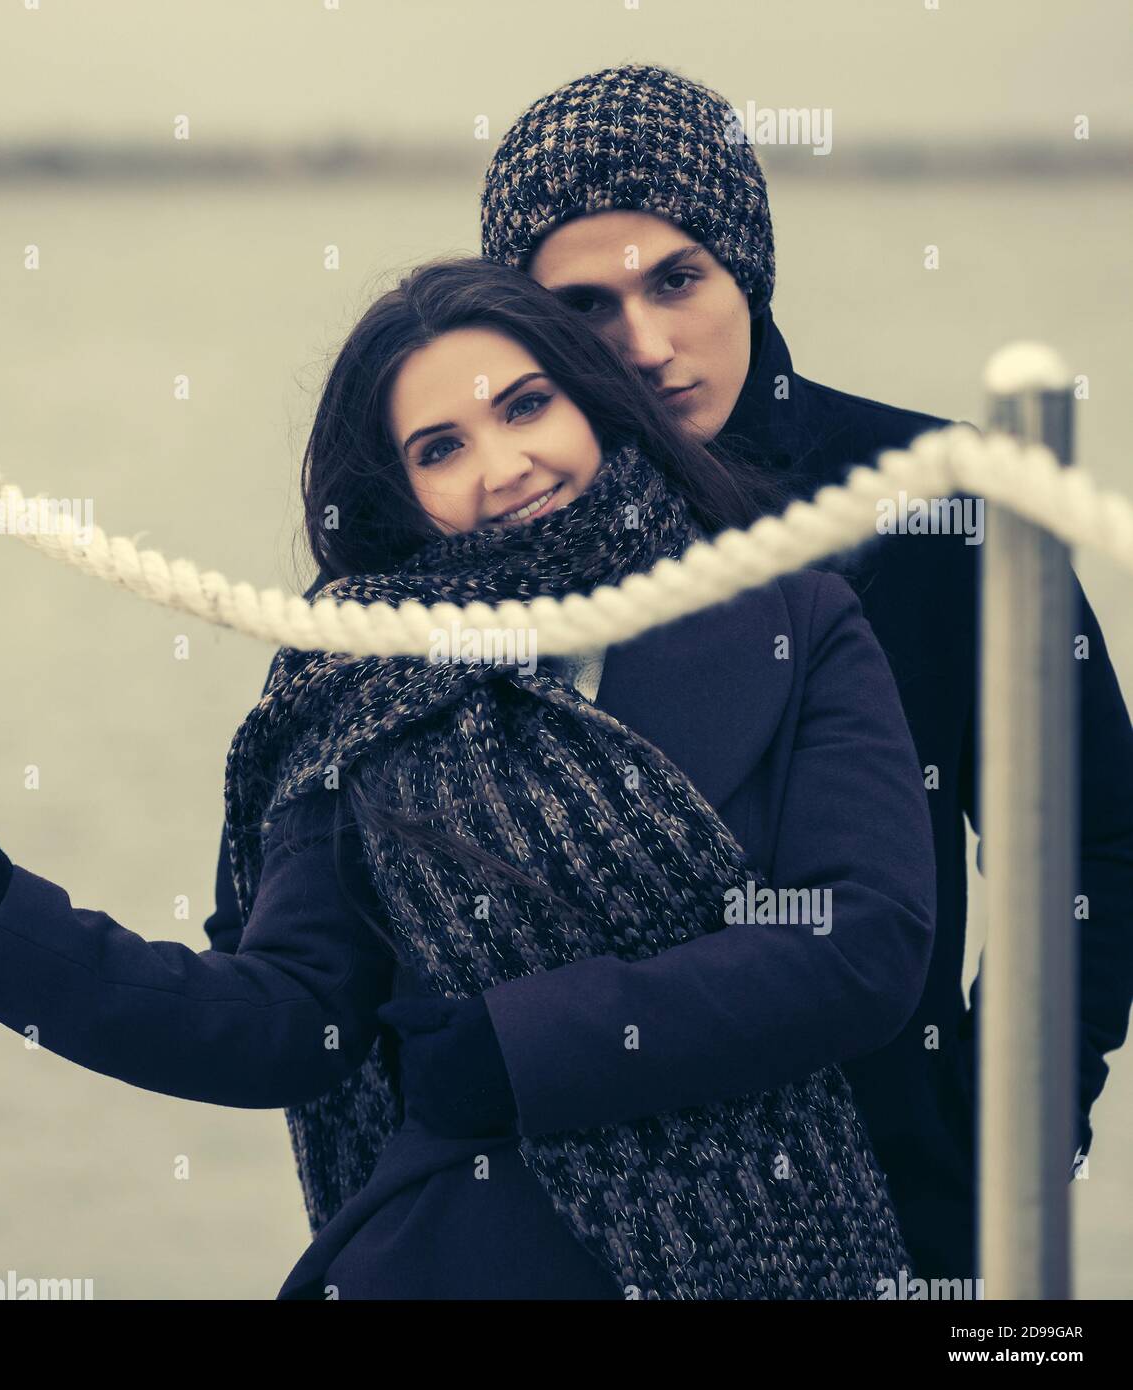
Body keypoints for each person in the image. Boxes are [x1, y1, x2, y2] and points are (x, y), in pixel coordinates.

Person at [0, 255, 937, 1299]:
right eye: (438, 448)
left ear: (592, 402)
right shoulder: (357, 689)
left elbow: (863, 943)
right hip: (465, 1260)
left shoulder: (795, 620)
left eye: (523, 407)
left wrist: (521, 1048)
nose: (501, 467)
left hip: (777, 1252)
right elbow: (285, 1020)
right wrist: (1, 920)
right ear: (401, 496)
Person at [204, 62, 1133, 1288]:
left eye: (677, 278)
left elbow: (1092, 844)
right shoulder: (471, 545)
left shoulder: (933, 500)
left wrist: (1015, 1129)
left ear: (743, 264)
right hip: (553, 1224)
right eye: (584, 306)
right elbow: (316, 949)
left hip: (900, 1199)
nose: (644, 342)